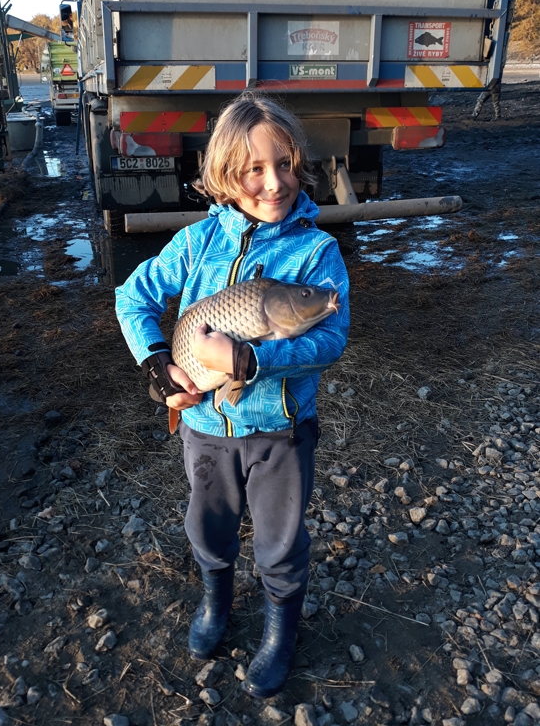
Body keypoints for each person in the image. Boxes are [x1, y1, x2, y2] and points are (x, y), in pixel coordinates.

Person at [115, 92, 350, 698]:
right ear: (226, 174)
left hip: (280, 433)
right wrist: (161, 365)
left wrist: (254, 358)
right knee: (208, 527)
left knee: (279, 541)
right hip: (205, 429)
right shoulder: (196, 245)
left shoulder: (315, 253)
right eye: (254, 169)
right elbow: (131, 296)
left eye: (286, 165)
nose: (274, 182)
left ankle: (279, 629)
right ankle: (215, 604)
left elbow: (331, 338)